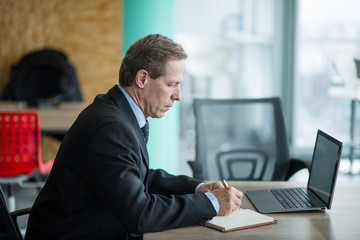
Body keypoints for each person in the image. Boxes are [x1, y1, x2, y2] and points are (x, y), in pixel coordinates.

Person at [25, 34, 243, 240]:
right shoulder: (111, 127)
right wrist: (210, 203)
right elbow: (140, 215)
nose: (178, 95)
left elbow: (137, 177)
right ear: (142, 78)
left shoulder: (115, 111)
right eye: (171, 84)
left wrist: (197, 188)